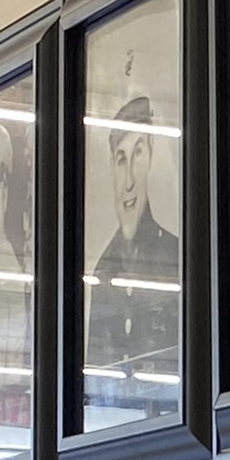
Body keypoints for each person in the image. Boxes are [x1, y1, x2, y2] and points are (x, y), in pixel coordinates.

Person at [86, 74, 182, 426]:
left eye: (137, 154)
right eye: (120, 159)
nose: (128, 180)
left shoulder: (176, 258)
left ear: (152, 159)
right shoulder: (101, 273)